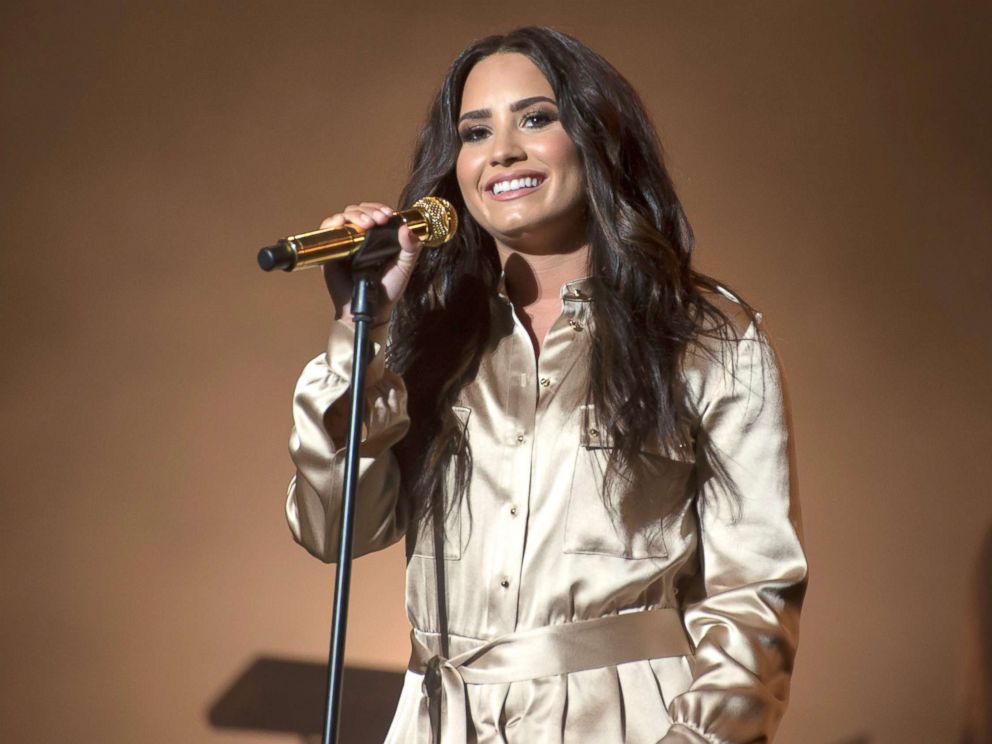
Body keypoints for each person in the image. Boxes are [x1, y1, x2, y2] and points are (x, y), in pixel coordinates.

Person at [285, 26, 807, 744]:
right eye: (475, 132)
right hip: (442, 723)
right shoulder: (431, 337)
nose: (502, 150)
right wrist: (361, 326)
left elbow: (754, 593)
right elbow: (330, 527)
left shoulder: (705, 336)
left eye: (536, 117)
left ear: (595, 137)